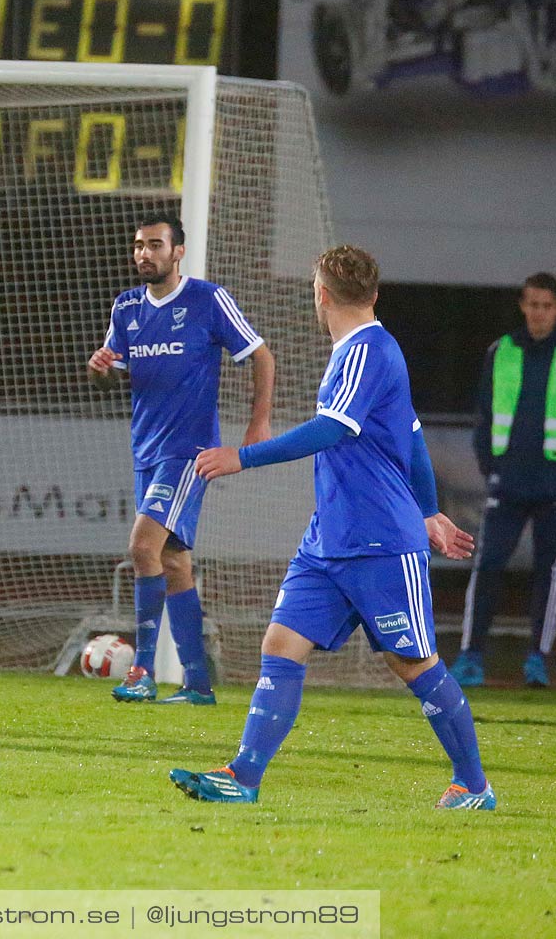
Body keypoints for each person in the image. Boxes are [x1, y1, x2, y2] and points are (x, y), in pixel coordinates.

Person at [172, 245, 494, 809]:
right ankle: (243, 776)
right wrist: (429, 510)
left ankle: (473, 785)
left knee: (411, 661)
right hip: (331, 538)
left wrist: (241, 457)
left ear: (320, 294)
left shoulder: (368, 351)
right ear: (373, 293)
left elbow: (331, 430)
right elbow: (414, 438)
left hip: (378, 541)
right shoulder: (359, 350)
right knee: (281, 643)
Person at [85, 213, 275, 705]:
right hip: (145, 450)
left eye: (154, 245)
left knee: (143, 548)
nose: (143, 254)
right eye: (137, 245)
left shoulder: (207, 299)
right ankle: (196, 683)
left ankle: (142, 671)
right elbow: (113, 374)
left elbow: (260, 355)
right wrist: (101, 367)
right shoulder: (126, 307)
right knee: (173, 562)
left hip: (189, 452)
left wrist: (257, 426)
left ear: (177, 252)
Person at [452, 273, 556, 689]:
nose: (538, 312)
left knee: (547, 572)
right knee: (487, 566)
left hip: (555, 485)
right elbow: (484, 415)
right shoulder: (501, 351)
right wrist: (491, 466)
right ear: (522, 305)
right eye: (532, 304)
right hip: (507, 482)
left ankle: (537, 659)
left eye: (546, 305)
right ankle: (470, 656)